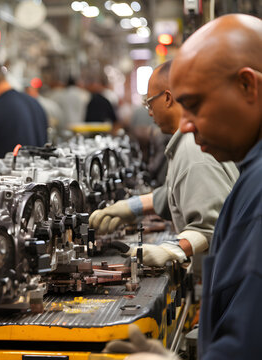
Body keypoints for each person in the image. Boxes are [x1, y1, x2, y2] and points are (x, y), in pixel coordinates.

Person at [104, 13, 262, 359]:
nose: (186, 126)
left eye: (194, 105)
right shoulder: (251, 172)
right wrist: (132, 206)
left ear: (248, 86)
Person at [89, 60, 238, 268]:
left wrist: (171, 249)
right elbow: (180, 191)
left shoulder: (194, 150)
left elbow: (212, 225)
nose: (150, 112)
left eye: (149, 103)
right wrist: (130, 207)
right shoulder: (189, 142)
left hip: (226, 273)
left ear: (167, 98)